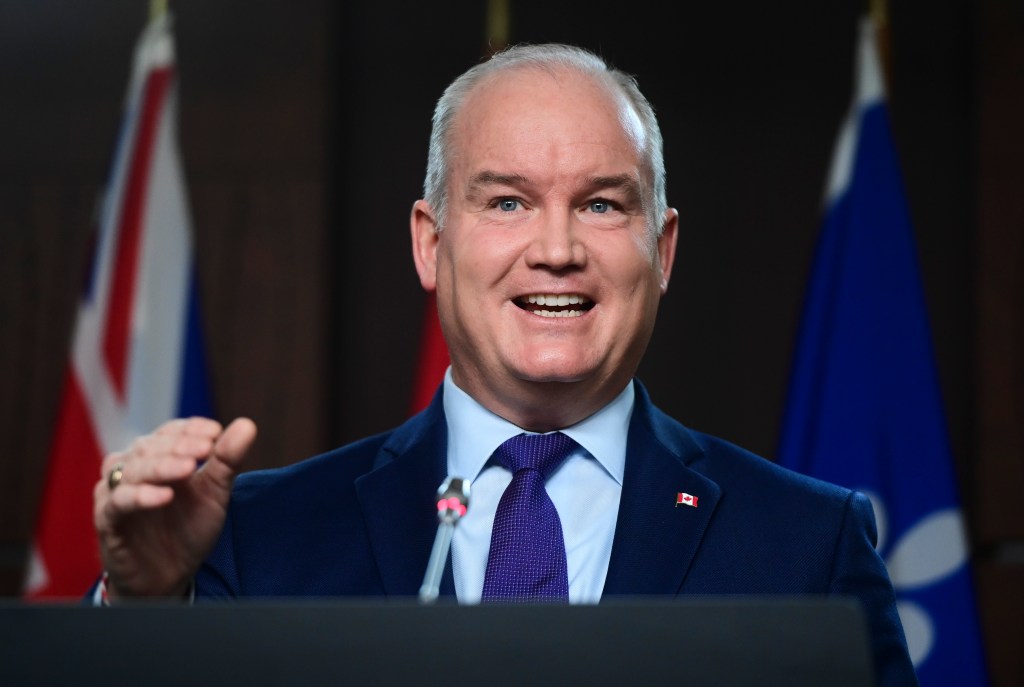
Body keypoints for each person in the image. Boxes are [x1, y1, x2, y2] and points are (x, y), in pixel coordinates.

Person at [93, 43, 917, 685]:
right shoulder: (258, 539)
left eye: (601, 204)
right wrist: (145, 606)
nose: (556, 250)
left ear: (661, 251)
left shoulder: (810, 545)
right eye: (507, 202)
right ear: (431, 241)